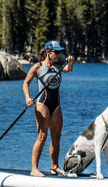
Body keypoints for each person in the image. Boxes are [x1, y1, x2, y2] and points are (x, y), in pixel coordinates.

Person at [23, 40, 74, 177]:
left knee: (56, 137)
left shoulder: (58, 66)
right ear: (47, 52)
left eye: (59, 52)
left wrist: (70, 62)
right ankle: (34, 169)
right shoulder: (37, 67)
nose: (58, 54)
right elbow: (26, 83)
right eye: (56, 52)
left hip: (56, 106)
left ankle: (55, 167)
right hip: (42, 105)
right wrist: (28, 98)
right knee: (42, 136)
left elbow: (68, 69)